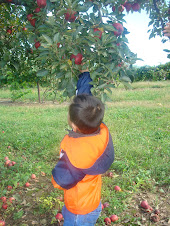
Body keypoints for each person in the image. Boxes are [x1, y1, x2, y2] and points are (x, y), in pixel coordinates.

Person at [51, 70, 114, 226]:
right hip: (91, 201)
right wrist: (84, 75)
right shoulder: (101, 132)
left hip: (78, 210)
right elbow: (86, 100)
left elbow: (60, 181)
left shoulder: (74, 150)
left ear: (73, 124)